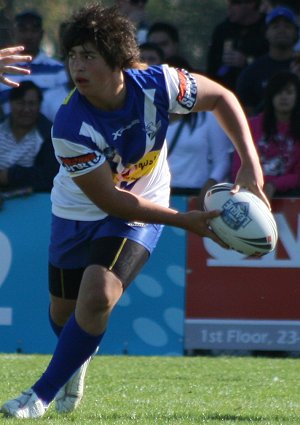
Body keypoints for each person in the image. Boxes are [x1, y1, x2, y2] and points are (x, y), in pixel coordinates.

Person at [0, 2, 269, 419]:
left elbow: (223, 99)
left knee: (99, 295)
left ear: (118, 58)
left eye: (89, 55)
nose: (77, 65)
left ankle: (38, 395)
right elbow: (109, 200)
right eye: (73, 55)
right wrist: (185, 222)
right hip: (78, 210)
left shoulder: (159, 85)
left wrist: (249, 163)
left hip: (143, 202)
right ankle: (77, 358)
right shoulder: (70, 125)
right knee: (65, 315)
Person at [232, 71, 300, 198]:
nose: (284, 97)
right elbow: (239, 165)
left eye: (289, 92)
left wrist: (274, 185)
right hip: (250, 195)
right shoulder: (251, 126)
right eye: (279, 92)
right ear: (270, 96)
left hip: (291, 201)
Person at [0, 9, 68, 116]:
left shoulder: (59, 70)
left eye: (34, 30)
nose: (29, 35)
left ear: (41, 34)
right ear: (13, 32)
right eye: (23, 29)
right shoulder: (3, 68)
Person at [236, 6, 300, 115]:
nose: (282, 30)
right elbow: (246, 115)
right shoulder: (252, 72)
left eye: (288, 26)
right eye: (275, 27)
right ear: (266, 33)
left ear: (296, 33)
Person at [0, 80, 59, 193]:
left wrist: (9, 176)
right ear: (10, 104)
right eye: (21, 103)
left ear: (39, 105)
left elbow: (51, 176)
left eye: (32, 104)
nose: (26, 109)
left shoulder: (50, 136)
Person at [206, 0, 268, 92]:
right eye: (228, 3)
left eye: (234, 3)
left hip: (257, 92)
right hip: (226, 91)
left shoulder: (268, 28)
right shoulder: (222, 30)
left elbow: (271, 63)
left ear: (251, 3)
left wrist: (246, 61)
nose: (229, 7)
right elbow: (211, 67)